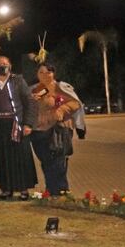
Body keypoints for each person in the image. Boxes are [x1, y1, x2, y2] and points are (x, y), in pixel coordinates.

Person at [0, 55, 37, 200]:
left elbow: (29, 102)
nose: (2, 66)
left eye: (5, 64)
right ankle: (5, 189)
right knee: (2, 157)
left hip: (16, 124)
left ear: (10, 66)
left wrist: (28, 124)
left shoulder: (18, 81)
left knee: (20, 157)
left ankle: (23, 189)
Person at [29, 63, 81, 195]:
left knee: (58, 161)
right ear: (37, 74)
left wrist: (62, 109)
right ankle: (51, 190)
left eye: (48, 72)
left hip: (57, 129)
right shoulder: (34, 90)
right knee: (45, 161)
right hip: (38, 131)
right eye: (41, 72)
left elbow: (75, 103)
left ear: (54, 74)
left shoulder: (61, 87)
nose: (45, 75)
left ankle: (61, 190)